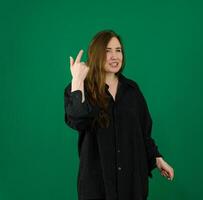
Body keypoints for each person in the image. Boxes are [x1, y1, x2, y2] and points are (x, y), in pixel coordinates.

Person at [64, 30, 174, 200]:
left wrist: (157, 159)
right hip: (96, 186)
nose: (115, 56)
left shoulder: (132, 90)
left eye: (118, 50)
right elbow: (77, 120)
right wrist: (77, 80)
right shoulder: (82, 88)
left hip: (132, 185)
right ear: (96, 55)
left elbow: (144, 133)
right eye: (107, 51)